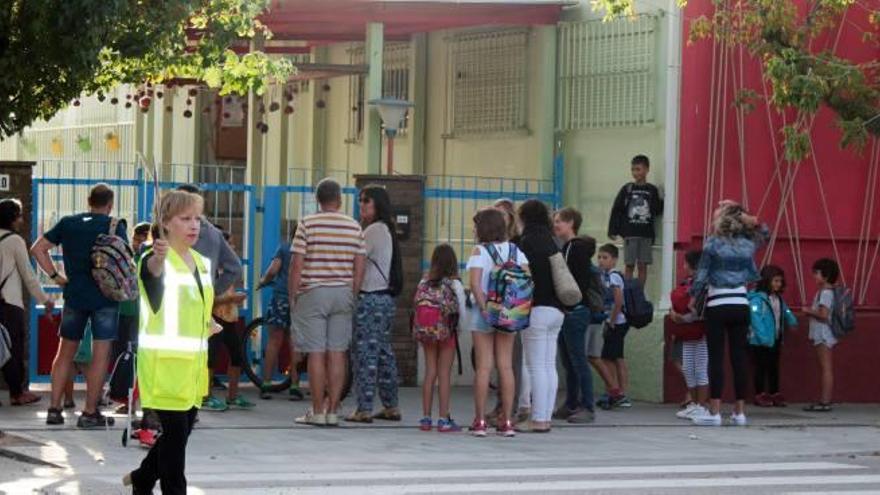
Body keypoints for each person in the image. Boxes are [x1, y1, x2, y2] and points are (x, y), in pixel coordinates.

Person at [123, 190, 218, 494]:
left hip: (192, 371)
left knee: (178, 436)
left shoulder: (201, 262)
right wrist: (158, 257)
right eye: (185, 219)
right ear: (165, 223)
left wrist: (209, 323)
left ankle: (143, 477)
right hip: (165, 369)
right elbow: (153, 276)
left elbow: (194, 305)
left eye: (197, 219)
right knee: (176, 449)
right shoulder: (154, 260)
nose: (194, 225)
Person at [31, 183, 127, 427]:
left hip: (74, 294)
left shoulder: (68, 223)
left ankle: (54, 409)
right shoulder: (115, 225)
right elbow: (126, 260)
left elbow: (38, 249)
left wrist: (56, 277)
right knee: (100, 354)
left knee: (65, 352)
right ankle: (90, 412)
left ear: (88, 200)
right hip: (105, 297)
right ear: (110, 204)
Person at [290, 178, 366, 427]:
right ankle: (333, 410)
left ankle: (317, 410)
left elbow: (297, 263)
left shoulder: (307, 224)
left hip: (313, 292)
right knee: (337, 353)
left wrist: (293, 294)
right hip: (342, 292)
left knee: (316, 353)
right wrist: (352, 292)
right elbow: (359, 265)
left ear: (317, 199)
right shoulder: (354, 226)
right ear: (340, 199)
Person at [689, 200, 768, 427]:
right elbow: (765, 233)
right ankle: (739, 412)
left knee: (716, 357)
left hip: (718, 303)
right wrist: (750, 218)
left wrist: (694, 298)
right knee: (739, 357)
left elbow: (702, 274)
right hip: (741, 303)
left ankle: (714, 411)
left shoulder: (712, 244)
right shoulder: (747, 244)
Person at [467, 207, 528, 437]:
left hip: (483, 313)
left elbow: (473, 283)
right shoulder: (516, 250)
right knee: (506, 366)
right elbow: (524, 280)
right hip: (509, 313)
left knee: (484, 367)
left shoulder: (480, 251)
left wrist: (485, 309)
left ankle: (480, 421)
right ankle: (507, 421)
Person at [346, 185, 401, 423]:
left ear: (377, 204)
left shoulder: (373, 231)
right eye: (360, 201)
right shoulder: (386, 229)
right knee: (382, 353)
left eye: (366, 201)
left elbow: (354, 259)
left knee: (365, 354)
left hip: (369, 299)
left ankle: (364, 408)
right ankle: (391, 405)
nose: (362, 206)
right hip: (385, 300)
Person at [514, 199, 564, 433]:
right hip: (557, 309)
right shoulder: (552, 240)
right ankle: (545, 417)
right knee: (547, 365)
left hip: (536, 309)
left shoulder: (526, 242)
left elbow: (522, 278)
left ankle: (537, 419)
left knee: (535, 367)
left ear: (524, 217)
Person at [0, 199, 53, 406]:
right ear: (13, 218)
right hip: (9, 303)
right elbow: (28, 275)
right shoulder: (14, 241)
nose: (22, 220)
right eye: (20, 215)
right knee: (13, 349)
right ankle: (17, 393)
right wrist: (45, 299)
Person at [551, 207, 598, 424]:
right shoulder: (572, 247)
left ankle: (586, 406)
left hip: (574, 310)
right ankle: (571, 403)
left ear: (571, 223)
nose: (556, 225)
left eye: (559, 221)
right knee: (570, 361)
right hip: (574, 310)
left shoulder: (572, 248)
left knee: (577, 360)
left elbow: (570, 280)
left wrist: (567, 303)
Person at [487, 198, 529, 425]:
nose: (500, 218)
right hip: (494, 305)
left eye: (503, 214)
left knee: (510, 361)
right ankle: (499, 405)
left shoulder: (517, 244)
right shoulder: (490, 245)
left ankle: (508, 408)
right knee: (497, 361)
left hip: (512, 307)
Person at [416, 244, 467, 433]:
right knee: (444, 374)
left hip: (427, 332)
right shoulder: (455, 284)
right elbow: (461, 312)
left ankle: (426, 418)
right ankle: (443, 419)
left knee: (430, 371)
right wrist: (459, 331)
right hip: (447, 332)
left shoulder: (424, 283)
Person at [203, 228, 253, 412]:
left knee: (237, 355)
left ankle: (233, 395)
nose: (232, 246)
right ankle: (205, 396)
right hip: (215, 317)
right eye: (229, 243)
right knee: (210, 358)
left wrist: (234, 300)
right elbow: (209, 299)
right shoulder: (211, 270)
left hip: (230, 317)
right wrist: (231, 299)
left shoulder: (230, 269)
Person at [257, 228, 303, 401]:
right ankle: (295, 386)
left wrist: (263, 281)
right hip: (301, 301)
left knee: (274, 341)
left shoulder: (284, 248)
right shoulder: (308, 251)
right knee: (295, 343)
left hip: (281, 298)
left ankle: (266, 384)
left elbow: (273, 270)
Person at [112, 221, 151, 414]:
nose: (135, 242)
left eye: (138, 238)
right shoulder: (130, 257)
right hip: (124, 312)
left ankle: (135, 401)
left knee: (137, 359)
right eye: (134, 238)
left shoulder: (149, 259)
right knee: (125, 358)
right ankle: (127, 400)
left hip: (139, 316)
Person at [607, 154, 663, 287]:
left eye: (638, 169)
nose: (635, 173)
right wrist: (612, 230)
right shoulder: (627, 189)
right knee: (629, 265)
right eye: (633, 169)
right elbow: (617, 209)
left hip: (645, 234)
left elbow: (656, 211)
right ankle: (627, 294)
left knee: (643, 266)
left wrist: (662, 200)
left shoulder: (652, 190)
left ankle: (639, 295)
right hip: (630, 233)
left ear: (646, 169)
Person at [669, 250, 710, 420]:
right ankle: (693, 403)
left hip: (700, 332)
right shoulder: (687, 283)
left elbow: (701, 311)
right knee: (688, 368)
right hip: (687, 333)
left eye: (686, 263)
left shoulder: (704, 285)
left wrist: (681, 319)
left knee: (700, 368)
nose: (683, 266)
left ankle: (702, 406)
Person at [750, 265, 798, 408]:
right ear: (766, 281)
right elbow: (755, 318)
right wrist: (763, 337)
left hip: (775, 339)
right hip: (760, 341)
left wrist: (792, 321)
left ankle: (774, 392)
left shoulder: (778, 299)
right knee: (760, 367)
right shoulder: (757, 299)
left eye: (780, 281)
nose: (778, 284)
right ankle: (760, 394)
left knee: (773, 367)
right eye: (775, 281)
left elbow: (786, 311)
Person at [596, 244, 632, 410]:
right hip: (613, 321)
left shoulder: (614, 277)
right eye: (600, 257)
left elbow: (618, 300)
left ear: (615, 260)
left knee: (612, 358)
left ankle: (619, 392)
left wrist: (611, 321)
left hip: (617, 322)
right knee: (613, 357)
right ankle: (615, 391)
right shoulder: (604, 276)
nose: (601, 261)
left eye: (605, 257)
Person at [802, 258, 840, 413]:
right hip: (824, 333)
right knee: (825, 367)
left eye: (817, 273)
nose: (814, 276)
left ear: (826, 276)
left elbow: (824, 315)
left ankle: (825, 401)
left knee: (825, 367)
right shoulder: (828, 291)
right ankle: (824, 400)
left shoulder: (825, 293)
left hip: (823, 333)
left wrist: (808, 311)